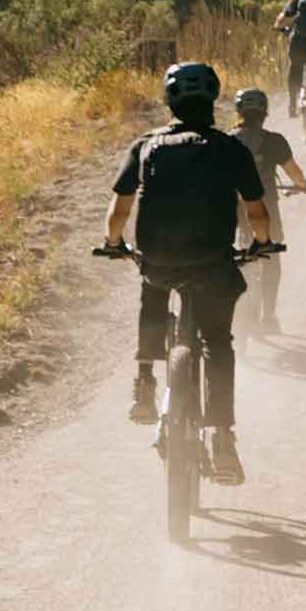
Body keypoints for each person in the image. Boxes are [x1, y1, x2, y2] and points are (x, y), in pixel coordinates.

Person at [103, 59, 277, 482]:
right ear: (213, 99)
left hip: (159, 262)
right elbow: (257, 212)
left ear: (169, 100)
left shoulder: (146, 145)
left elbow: (120, 209)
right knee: (218, 343)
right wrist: (261, 244)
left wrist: (113, 243)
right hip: (213, 265)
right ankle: (223, 439)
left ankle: (145, 383)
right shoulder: (229, 148)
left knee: (152, 290)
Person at [226, 87, 306, 335]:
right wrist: (301, 185)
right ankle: (269, 315)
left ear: (239, 112)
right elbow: (294, 173)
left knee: (226, 254)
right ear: (264, 112)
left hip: (232, 211)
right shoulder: (274, 141)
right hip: (266, 211)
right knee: (271, 258)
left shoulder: (225, 140)